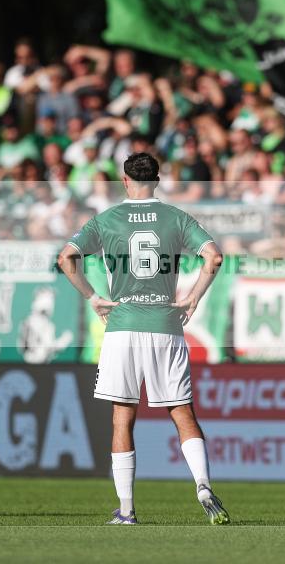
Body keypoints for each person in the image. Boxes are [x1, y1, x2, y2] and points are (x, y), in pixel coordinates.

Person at [57, 152, 229, 525]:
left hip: (123, 325)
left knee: (123, 418)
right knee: (182, 412)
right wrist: (194, 295)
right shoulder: (176, 218)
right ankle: (202, 485)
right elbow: (213, 257)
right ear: (158, 179)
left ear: (125, 181)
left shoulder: (106, 220)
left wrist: (92, 297)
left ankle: (128, 510)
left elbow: (66, 258)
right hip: (166, 324)